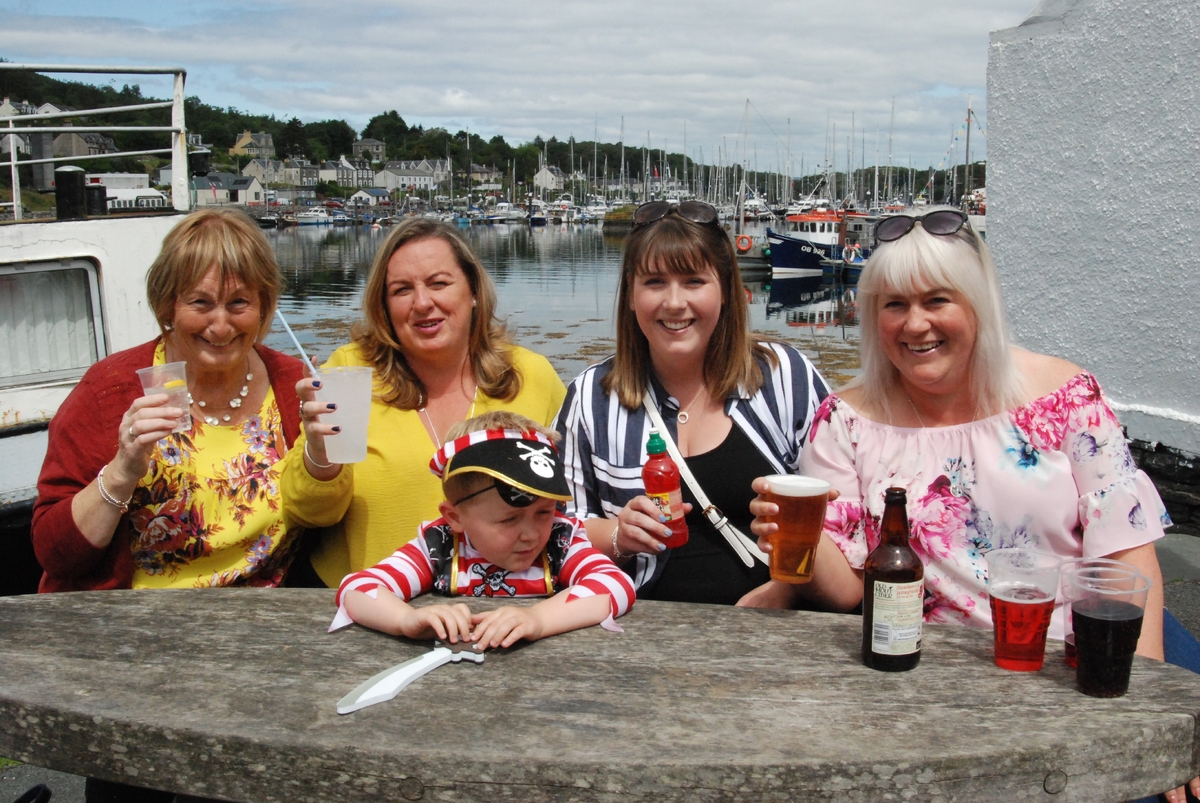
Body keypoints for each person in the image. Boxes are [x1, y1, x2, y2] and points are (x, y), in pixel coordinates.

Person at [747, 207, 1198, 802]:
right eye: (893, 305)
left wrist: (1150, 714)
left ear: (978, 303)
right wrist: (796, 542)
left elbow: (1127, 555)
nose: (915, 325)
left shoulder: (1066, 397)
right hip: (936, 680)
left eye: (938, 300)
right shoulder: (845, 420)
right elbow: (852, 590)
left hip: (1076, 658)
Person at [30, 208, 351, 802]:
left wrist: (325, 454)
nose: (221, 325)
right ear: (166, 307)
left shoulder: (289, 383)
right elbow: (54, 549)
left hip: (262, 647)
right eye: (200, 303)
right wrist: (124, 468)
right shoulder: (113, 389)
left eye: (240, 304)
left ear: (265, 306)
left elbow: (323, 514)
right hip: (135, 652)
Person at [555, 201, 829, 607]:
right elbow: (557, 534)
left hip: (774, 628)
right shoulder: (591, 397)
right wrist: (619, 535)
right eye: (654, 282)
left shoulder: (785, 376)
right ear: (630, 295)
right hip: (639, 628)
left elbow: (842, 522)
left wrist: (783, 590)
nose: (674, 302)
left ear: (726, 291)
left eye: (694, 281)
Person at [287, 219, 567, 588]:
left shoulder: (532, 376)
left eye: (439, 283)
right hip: (373, 610)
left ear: (473, 291)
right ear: (384, 306)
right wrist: (321, 460)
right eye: (402, 290)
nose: (422, 303)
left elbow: (566, 509)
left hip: (508, 609)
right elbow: (308, 512)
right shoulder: (349, 373)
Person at [331, 412, 634, 647]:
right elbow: (357, 590)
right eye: (508, 520)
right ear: (454, 516)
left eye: (543, 511)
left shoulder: (559, 541)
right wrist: (406, 620)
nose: (530, 534)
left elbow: (616, 585)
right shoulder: (440, 544)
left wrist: (538, 619)